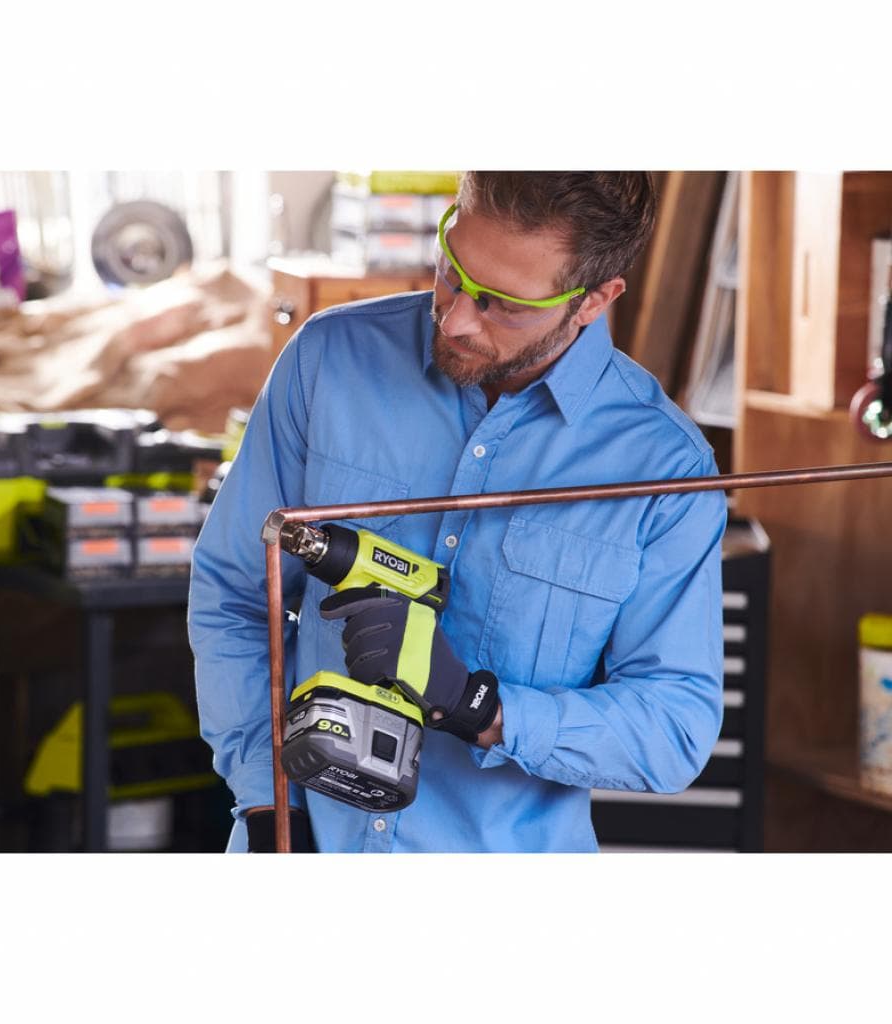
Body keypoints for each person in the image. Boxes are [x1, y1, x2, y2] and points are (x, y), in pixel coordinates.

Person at [188, 171, 727, 853]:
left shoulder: (662, 466)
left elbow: (674, 729)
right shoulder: (330, 361)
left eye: (504, 304)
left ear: (594, 300)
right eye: (453, 270)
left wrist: (479, 707)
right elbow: (234, 596)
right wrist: (269, 809)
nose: (456, 318)